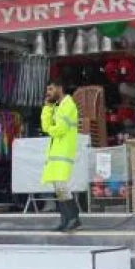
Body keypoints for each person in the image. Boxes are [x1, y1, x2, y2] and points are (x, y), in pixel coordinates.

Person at [41, 78, 81, 232]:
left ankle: (73, 218)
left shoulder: (68, 105)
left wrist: (51, 128)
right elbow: (46, 126)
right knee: (59, 187)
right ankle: (66, 219)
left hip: (64, 151)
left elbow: (59, 129)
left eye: (51, 89)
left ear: (59, 88)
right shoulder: (58, 107)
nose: (48, 93)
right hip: (57, 152)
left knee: (62, 186)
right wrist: (47, 107)